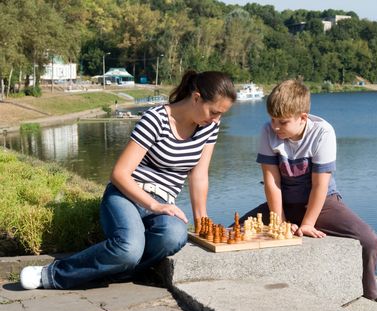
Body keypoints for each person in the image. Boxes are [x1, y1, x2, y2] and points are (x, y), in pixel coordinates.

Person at [20, 70, 236, 290]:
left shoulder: (209, 127)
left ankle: (110, 272)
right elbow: (119, 173)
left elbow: (199, 174)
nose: (216, 119)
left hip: (162, 205)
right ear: (197, 97)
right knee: (128, 249)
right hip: (126, 195)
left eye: (221, 115)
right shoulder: (156, 119)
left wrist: (202, 221)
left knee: (174, 236)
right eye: (214, 112)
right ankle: (52, 274)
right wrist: (153, 204)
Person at [240, 79, 377, 306]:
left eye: (282, 122)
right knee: (232, 231)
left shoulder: (323, 132)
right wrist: (280, 222)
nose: (275, 127)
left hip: (322, 202)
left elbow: (320, 186)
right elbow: (271, 181)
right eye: (272, 120)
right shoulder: (268, 131)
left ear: (303, 117)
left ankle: (370, 289)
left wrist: (307, 224)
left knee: (369, 240)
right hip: (284, 203)